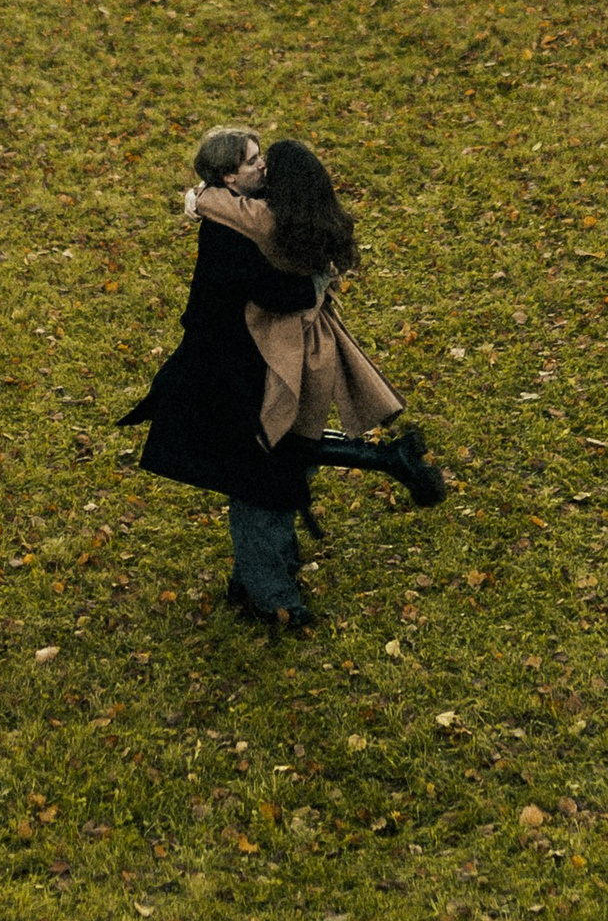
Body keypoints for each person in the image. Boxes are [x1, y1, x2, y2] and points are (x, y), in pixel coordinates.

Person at [120, 125, 444, 631]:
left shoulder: (265, 220)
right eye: (254, 161)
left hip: (260, 370)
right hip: (229, 374)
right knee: (262, 483)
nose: (263, 167)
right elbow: (277, 294)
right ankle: (266, 591)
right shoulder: (240, 230)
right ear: (230, 177)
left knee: (276, 470)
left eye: (265, 161)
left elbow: (279, 281)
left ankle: (260, 577)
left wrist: (203, 200)